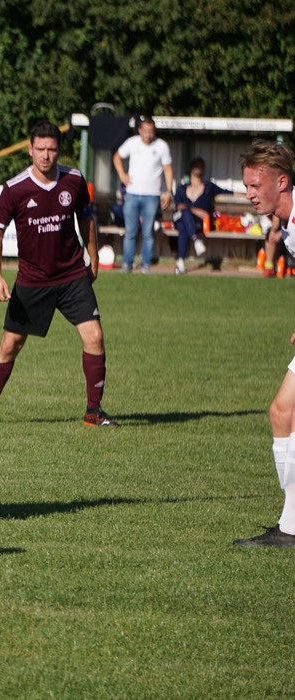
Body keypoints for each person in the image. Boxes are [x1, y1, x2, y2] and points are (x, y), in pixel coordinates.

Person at [0, 120, 117, 428]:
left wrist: (93, 256)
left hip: (71, 276)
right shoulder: (15, 189)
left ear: (59, 150)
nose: (45, 155)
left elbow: (87, 220)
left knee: (95, 336)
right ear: (30, 150)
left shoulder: (74, 180)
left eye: (52, 149)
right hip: (32, 281)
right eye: (40, 149)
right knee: (11, 344)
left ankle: (94, 412)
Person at [233, 139, 295, 548]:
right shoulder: (287, 225)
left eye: (256, 185)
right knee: (283, 414)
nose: (249, 194)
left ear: (282, 181)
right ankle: (291, 525)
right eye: (247, 186)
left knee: (282, 412)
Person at [113, 117, 174, 273]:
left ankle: (146, 264)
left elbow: (167, 169)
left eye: (151, 132)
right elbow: (117, 157)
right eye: (145, 131)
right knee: (130, 231)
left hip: (152, 195)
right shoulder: (132, 143)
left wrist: (168, 191)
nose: (148, 135)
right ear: (140, 130)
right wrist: (122, 175)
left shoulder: (161, 146)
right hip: (132, 194)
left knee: (148, 232)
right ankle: (127, 263)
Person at [172, 158, 230, 275]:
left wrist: (249, 193)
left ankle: (180, 262)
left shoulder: (208, 187)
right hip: (178, 218)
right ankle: (195, 240)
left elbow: (229, 192)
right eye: (196, 166)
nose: (198, 168)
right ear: (191, 169)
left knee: (183, 226)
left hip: (196, 223)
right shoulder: (181, 188)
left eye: (201, 166)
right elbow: (179, 206)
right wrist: (194, 210)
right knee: (185, 213)